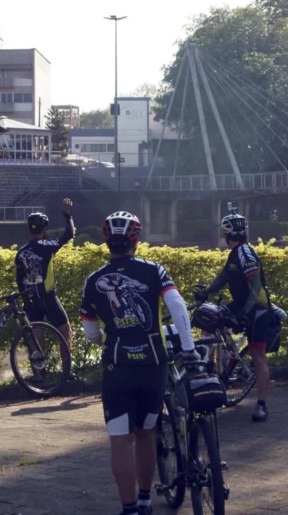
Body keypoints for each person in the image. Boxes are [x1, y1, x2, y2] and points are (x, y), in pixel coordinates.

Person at [80, 211, 198, 515]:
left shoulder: (93, 281)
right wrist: (188, 347)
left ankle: (129, 508)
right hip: (153, 364)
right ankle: (146, 500)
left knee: (120, 440)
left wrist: (110, 337)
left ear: (105, 239)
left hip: (117, 367)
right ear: (137, 239)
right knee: (147, 433)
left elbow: (90, 332)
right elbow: (177, 305)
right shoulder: (155, 271)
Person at [195, 208, 274, 423]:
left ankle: (261, 405)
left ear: (227, 235)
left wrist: (245, 314)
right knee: (208, 322)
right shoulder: (234, 254)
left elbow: (256, 287)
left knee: (258, 356)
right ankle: (210, 373)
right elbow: (223, 277)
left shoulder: (246, 254)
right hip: (239, 304)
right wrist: (206, 292)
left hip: (257, 308)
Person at [16, 198, 75, 347]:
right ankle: (67, 370)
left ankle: (38, 370)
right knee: (65, 332)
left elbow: (19, 279)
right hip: (48, 296)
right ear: (44, 229)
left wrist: (25, 301)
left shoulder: (21, 253)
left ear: (29, 229)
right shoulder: (47, 246)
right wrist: (67, 216)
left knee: (36, 340)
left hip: (31, 299)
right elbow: (69, 234)